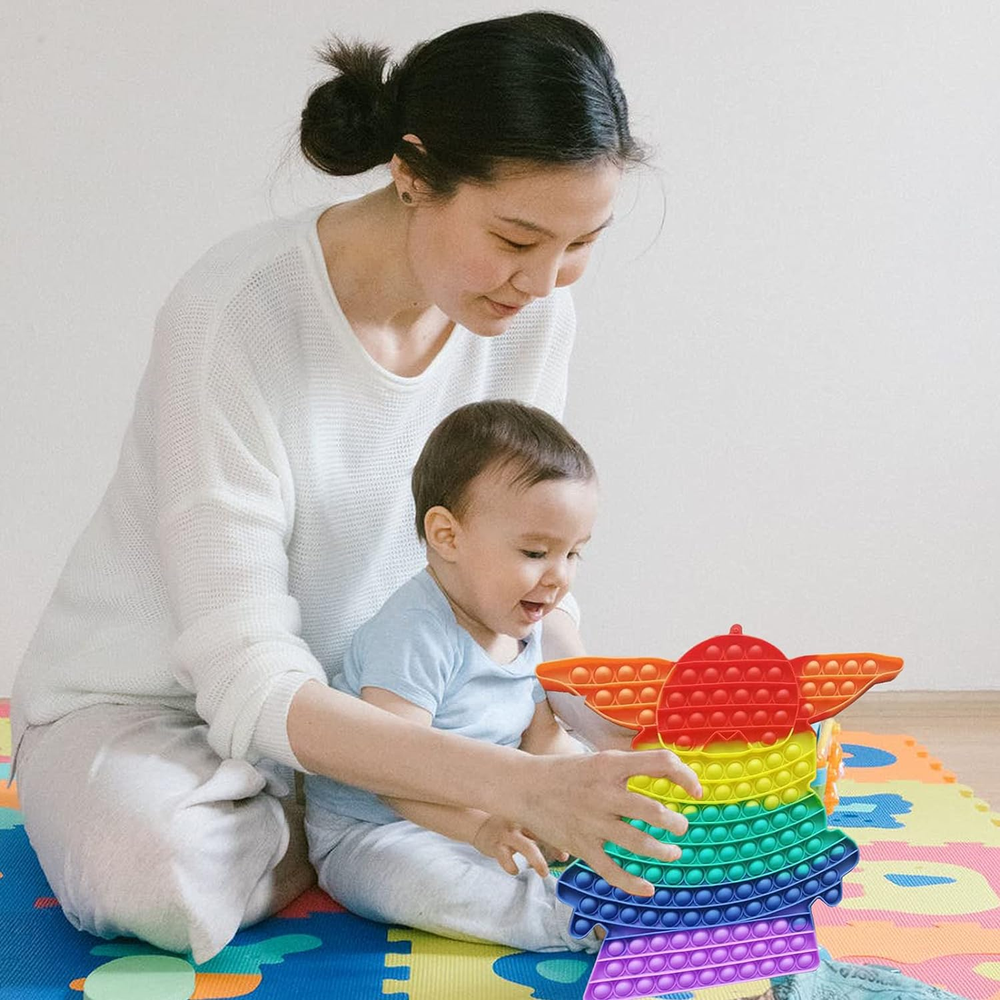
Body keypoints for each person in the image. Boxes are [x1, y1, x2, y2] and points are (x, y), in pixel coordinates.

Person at [10, 11, 700, 966]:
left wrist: (635, 729)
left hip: (402, 704)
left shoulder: (532, 318)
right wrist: (516, 787)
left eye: (580, 244)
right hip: (155, 707)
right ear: (412, 173)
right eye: (515, 237)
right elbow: (246, 673)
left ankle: (366, 808)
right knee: (153, 877)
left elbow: (533, 567)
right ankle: (346, 821)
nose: (542, 282)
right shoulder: (235, 313)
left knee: (654, 811)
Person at [307, 399, 679, 952]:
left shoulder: (525, 621)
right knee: (452, 886)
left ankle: (640, 889)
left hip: (498, 812)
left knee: (603, 833)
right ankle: (577, 924)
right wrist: (481, 827)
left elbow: (544, 739)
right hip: (379, 829)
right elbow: (392, 773)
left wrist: (595, 795)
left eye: (574, 554)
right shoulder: (413, 634)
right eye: (535, 551)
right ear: (447, 536)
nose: (558, 578)